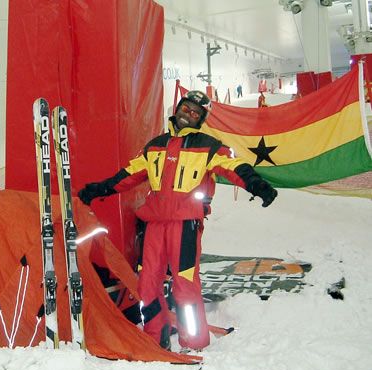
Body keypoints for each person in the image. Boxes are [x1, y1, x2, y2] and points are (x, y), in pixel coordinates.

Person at [78, 91, 277, 352]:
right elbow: (127, 175)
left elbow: (235, 167)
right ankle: (154, 336)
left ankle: (193, 342)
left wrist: (257, 185)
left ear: (201, 119)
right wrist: (98, 189)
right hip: (155, 225)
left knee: (184, 285)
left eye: (196, 113)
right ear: (179, 108)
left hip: (185, 225)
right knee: (147, 283)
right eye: (186, 108)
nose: (189, 114)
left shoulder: (209, 146)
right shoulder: (155, 146)